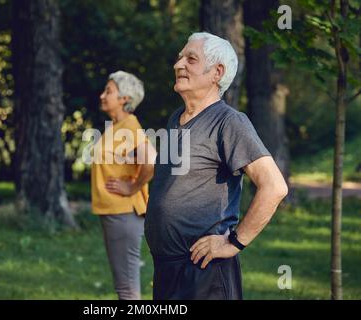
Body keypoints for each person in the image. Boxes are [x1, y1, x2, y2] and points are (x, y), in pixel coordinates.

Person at [144, 32, 289, 300]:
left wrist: (233, 243)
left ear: (216, 72)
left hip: (204, 272)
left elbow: (274, 187)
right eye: (179, 58)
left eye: (191, 59)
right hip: (166, 269)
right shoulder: (176, 118)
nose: (178, 65)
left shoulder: (230, 122)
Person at [91, 70, 156, 300]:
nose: (102, 95)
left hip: (124, 212)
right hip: (115, 212)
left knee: (127, 289)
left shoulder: (129, 125)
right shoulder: (117, 127)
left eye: (109, 91)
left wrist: (132, 187)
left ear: (124, 99)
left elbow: (151, 161)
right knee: (124, 287)